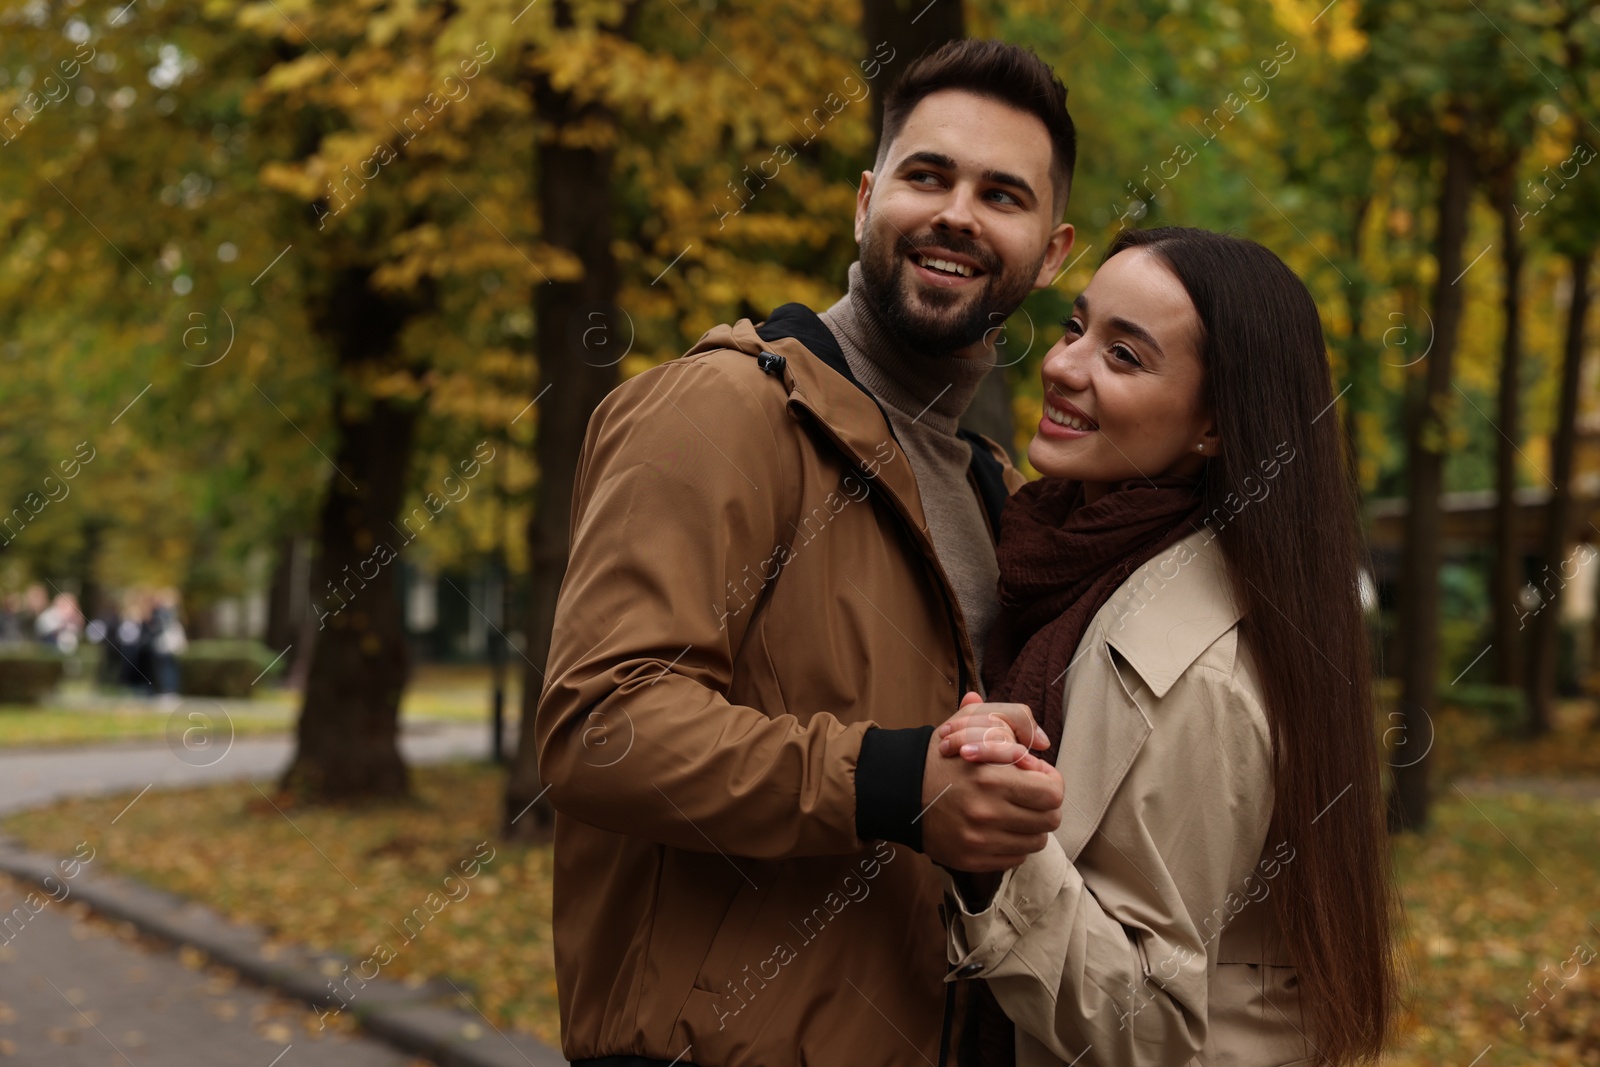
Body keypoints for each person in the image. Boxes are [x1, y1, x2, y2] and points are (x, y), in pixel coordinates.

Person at [537, 40, 1077, 1067]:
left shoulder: (993, 492)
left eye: (1001, 193)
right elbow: (600, 726)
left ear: (1051, 252)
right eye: (928, 175)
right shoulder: (723, 410)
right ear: (866, 200)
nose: (957, 211)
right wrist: (891, 779)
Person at [933, 228, 1398, 1065]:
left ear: (1216, 426)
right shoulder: (1076, 559)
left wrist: (1000, 846)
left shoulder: (1198, 676)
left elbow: (1151, 1023)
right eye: (1076, 328)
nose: (1064, 366)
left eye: (1125, 356)